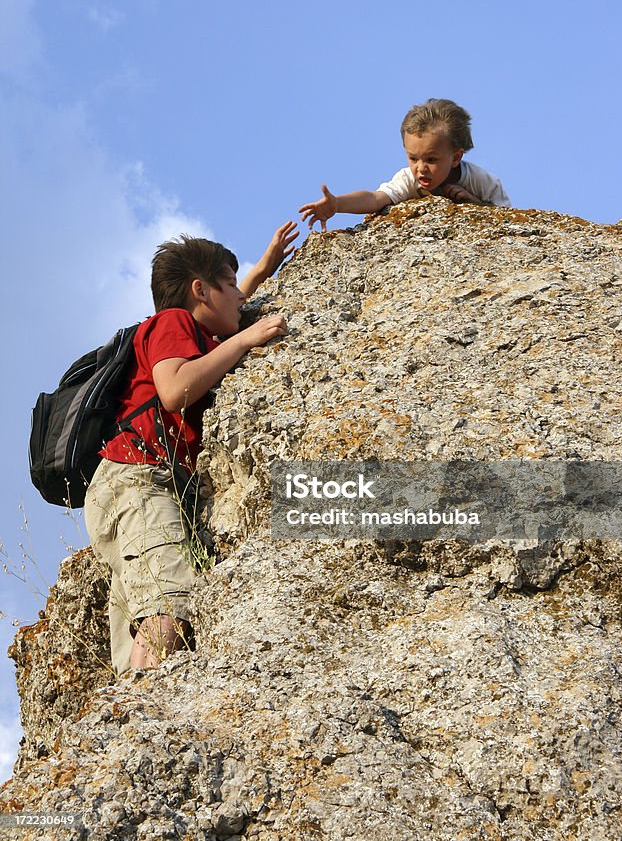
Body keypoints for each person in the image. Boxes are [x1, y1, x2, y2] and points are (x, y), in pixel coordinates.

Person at [84, 222, 297, 675]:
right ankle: (146, 727)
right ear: (200, 290)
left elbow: (224, 314)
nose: (242, 296)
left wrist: (263, 267)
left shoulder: (195, 330)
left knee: (145, 627)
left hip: (129, 486)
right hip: (139, 480)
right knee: (167, 608)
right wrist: (246, 338)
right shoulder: (172, 323)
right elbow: (176, 389)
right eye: (230, 283)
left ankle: (129, 723)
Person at [299, 98, 510, 230]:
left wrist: (476, 204)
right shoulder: (408, 179)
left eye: (431, 160)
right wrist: (337, 204)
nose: (420, 168)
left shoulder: (483, 182)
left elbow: (509, 222)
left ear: (456, 157)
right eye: (413, 158)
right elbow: (375, 198)